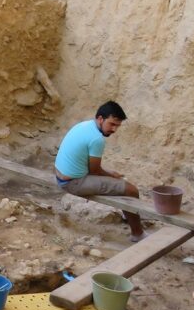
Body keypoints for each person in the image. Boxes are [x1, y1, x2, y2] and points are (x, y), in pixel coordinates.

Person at [54, 101, 146, 241]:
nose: (114, 129)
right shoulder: (97, 139)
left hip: (60, 175)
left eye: (117, 126)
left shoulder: (84, 125)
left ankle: (127, 215)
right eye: (112, 124)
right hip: (73, 182)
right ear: (100, 119)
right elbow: (95, 170)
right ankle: (137, 234)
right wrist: (112, 175)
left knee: (119, 184)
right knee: (131, 191)